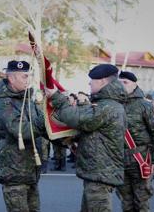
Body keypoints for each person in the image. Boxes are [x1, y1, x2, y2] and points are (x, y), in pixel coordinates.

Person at [45, 64, 127, 212]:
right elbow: (87, 130)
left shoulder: (107, 107)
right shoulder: (107, 104)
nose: (89, 83)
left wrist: (57, 97)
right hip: (98, 173)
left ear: (102, 81)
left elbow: (76, 118)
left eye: (92, 80)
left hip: (100, 175)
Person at [0, 60, 48, 212]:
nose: (28, 80)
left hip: (29, 172)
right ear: (11, 78)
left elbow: (43, 129)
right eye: (24, 76)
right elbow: (21, 130)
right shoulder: (4, 104)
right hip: (14, 172)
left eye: (29, 76)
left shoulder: (28, 102)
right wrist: (46, 120)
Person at [117, 71, 154, 212]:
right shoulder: (113, 104)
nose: (121, 86)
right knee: (125, 201)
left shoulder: (145, 105)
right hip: (120, 159)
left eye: (125, 82)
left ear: (134, 84)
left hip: (140, 159)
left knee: (141, 201)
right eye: (119, 82)